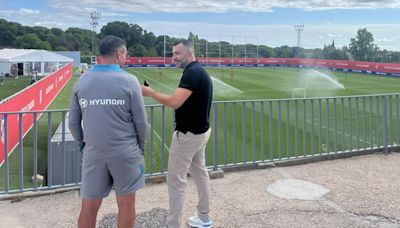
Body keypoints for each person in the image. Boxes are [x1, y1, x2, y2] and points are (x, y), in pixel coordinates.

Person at [68, 35, 148, 228]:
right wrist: (140, 148)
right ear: (119, 53)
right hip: (125, 151)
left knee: (88, 206)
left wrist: (83, 145)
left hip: (94, 152)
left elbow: (72, 123)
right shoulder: (130, 81)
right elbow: (141, 122)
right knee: (127, 204)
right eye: (125, 54)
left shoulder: (82, 81)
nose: (126, 58)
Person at [142, 39, 214, 228]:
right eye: (173, 53)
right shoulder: (198, 71)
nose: (173, 57)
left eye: (177, 53)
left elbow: (175, 102)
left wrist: (150, 93)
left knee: (175, 180)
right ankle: (204, 217)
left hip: (189, 135)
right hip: (201, 133)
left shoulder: (192, 73)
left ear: (189, 53)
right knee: (200, 174)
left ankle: (173, 224)